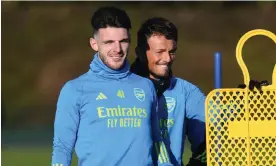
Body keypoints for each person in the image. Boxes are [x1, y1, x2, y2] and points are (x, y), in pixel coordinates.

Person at [51, 7, 171, 166]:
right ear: (94, 44)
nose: (117, 49)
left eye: (123, 41)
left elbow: (157, 141)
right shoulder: (74, 90)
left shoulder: (146, 86)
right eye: (108, 42)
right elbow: (62, 148)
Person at [131, 17, 207, 166]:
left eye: (172, 51)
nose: (167, 58)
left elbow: (219, 119)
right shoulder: (121, 90)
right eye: (159, 52)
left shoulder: (185, 91)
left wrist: (243, 97)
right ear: (140, 53)